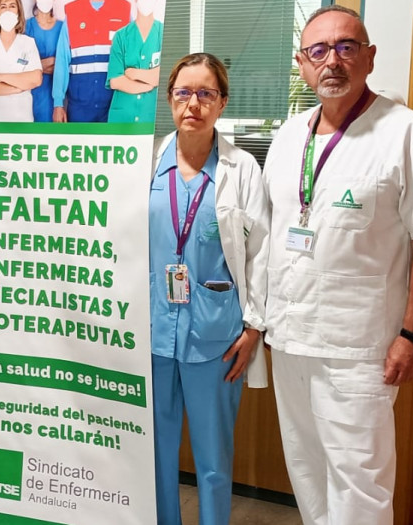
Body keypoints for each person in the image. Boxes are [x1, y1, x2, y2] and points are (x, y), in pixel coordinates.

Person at [262, 7, 413, 525]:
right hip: (290, 340)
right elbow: (271, 231)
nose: (332, 60)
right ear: (302, 64)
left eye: (346, 47)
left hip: (358, 350)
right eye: (318, 51)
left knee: (360, 485)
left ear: (369, 56)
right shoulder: (288, 137)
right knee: (306, 470)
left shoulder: (404, 133)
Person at [149, 53, 269, 525]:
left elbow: (262, 256)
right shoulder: (145, 165)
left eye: (206, 93)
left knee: (214, 458)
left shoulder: (243, 171)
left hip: (216, 338)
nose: (193, 104)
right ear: (170, 100)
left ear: (222, 102)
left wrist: (254, 327)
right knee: (155, 452)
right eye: (183, 93)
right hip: (152, 333)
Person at [50, 0, 131, 122]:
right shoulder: (73, 12)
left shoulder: (124, 10)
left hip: (114, 105)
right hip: (79, 107)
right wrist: (58, 103)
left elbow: (132, 57)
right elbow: (62, 60)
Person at [0, 0, 43, 122]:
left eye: (12, 6)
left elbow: (36, 79)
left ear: (19, 12)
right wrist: (16, 89)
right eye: (3, 7)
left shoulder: (28, 43)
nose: (8, 10)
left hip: (22, 119)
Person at [106, 0, 163, 123]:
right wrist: (149, 85)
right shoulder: (121, 36)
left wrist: (135, 73)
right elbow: (116, 81)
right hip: (122, 117)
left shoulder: (163, 34)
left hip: (150, 116)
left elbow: (165, 77)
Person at [24, 0, 65, 122]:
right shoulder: (27, 26)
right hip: (30, 91)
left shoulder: (62, 27)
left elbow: (67, 63)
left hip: (56, 94)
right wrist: (50, 62)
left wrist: (37, 66)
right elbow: (20, 64)